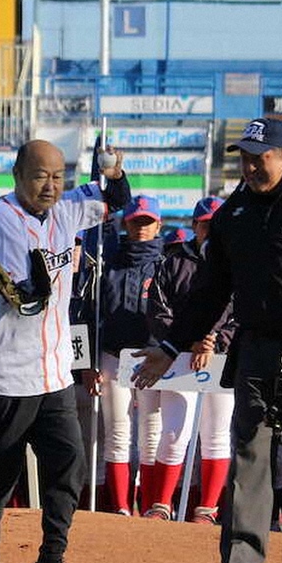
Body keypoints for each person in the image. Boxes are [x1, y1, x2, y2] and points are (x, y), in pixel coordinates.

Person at [132, 117, 282, 563]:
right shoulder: (234, 213)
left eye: (261, 156)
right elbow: (211, 290)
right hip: (258, 345)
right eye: (245, 157)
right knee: (250, 453)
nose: (252, 165)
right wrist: (171, 346)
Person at [0, 139, 130, 563]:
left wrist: (113, 172)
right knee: (2, 470)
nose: (51, 184)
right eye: (41, 175)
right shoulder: (3, 218)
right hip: (7, 370)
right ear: (18, 175)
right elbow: (20, 296)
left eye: (59, 176)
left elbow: (116, 202)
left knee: (69, 462)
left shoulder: (66, 210)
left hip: (54, 368)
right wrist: (35, 286)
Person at [149, 195, 235, 524]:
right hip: (179, 357)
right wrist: (186, 342)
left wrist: (215, 341)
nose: (209, 231)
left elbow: (242, 313)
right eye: (204, 225)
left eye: (216, 225)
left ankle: (207, 508)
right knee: (174, 434)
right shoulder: (173, 262)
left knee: (216, 434)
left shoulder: (237, 262)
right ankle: (160, 504)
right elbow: (157, 310)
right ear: (194, 226)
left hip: (220, 358)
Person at [93, 195, 165, 517]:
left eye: (147, 222)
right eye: (136, 221)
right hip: (114, 354)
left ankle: (151, 507)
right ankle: (121, 508)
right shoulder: (111, 260)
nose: (141, 228)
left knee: (152, 434)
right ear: (126, 224)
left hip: (153, 356)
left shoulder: (167, 262)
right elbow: (97, 312)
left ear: (158, 225)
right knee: (118, 431)